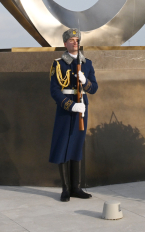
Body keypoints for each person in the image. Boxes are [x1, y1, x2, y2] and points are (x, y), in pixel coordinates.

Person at [49, 28, 97, 202]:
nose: (75, 42)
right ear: (65, 43)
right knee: (63, 145)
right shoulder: (58, 64)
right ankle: (65, 189)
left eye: (77, 40)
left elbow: (95, 88)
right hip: (66, 109)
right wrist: (71, 106)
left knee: (77, 145)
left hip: (82, 108)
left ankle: (76, 187)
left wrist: (86, 82)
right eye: (71, 40)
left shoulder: (88, 63)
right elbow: (55, 91)